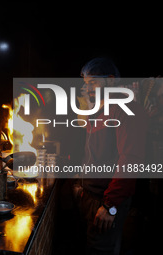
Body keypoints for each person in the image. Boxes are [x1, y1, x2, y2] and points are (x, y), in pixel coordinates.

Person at [72, 57, 148, 254]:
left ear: (111, 80)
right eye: (86, 83)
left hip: (106, 202)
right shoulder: (99, 110)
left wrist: (110, 206)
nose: (88, 88)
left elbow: (130, 160)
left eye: (94, 82)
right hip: (90, 197)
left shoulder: (128, 110)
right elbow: (94, 153)